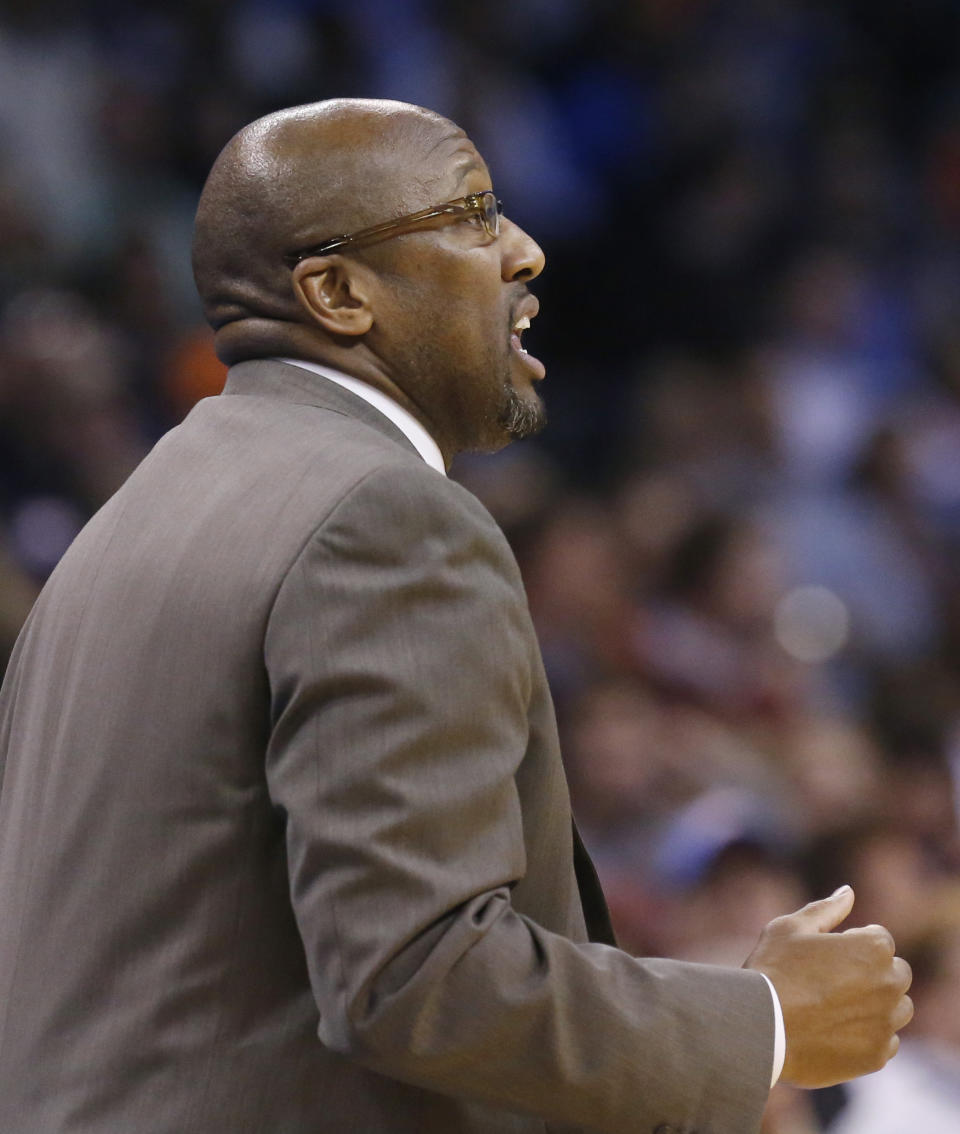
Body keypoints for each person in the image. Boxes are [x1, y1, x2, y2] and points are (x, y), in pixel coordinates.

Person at [0, 98, 912, 1134]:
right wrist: (768, 1023)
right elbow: (413, 972)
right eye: (472, 216)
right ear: (339, 292)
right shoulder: (379, 516)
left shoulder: (121, 531)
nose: (524, 252)